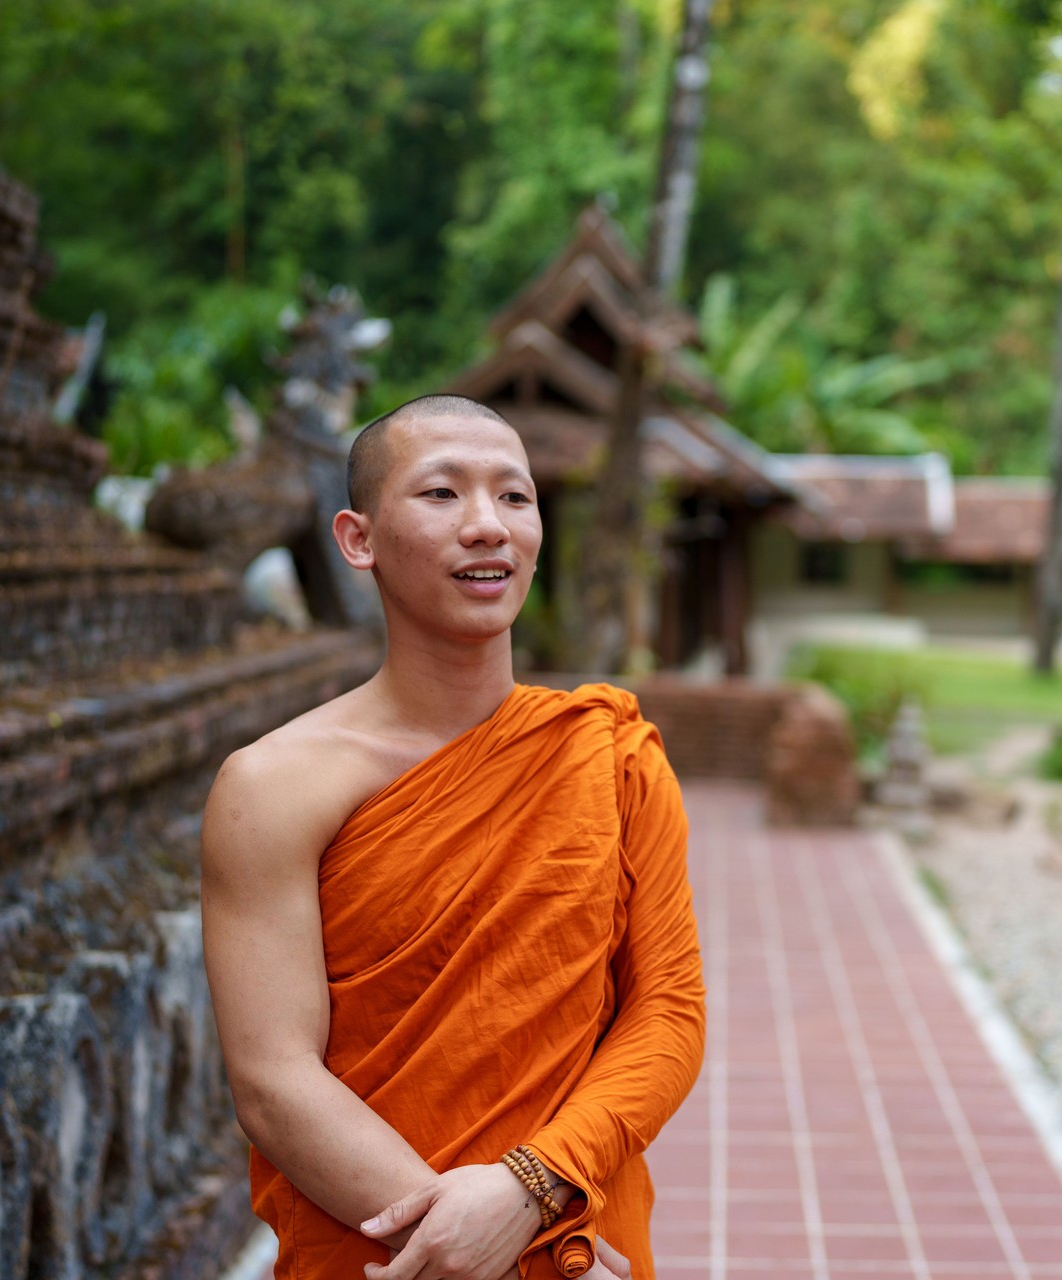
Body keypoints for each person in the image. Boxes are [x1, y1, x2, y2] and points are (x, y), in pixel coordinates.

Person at [202, 394, 706, 1280]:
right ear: (357, 540)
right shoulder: (272, 787)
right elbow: (274, 1082)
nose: (488, 526)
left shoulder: (612, 754)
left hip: (580, 1234)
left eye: (515, 498)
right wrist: (476, 1250)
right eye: (442, 494)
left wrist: (533, 1191)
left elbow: (666, 1014)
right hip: (377, 1250)